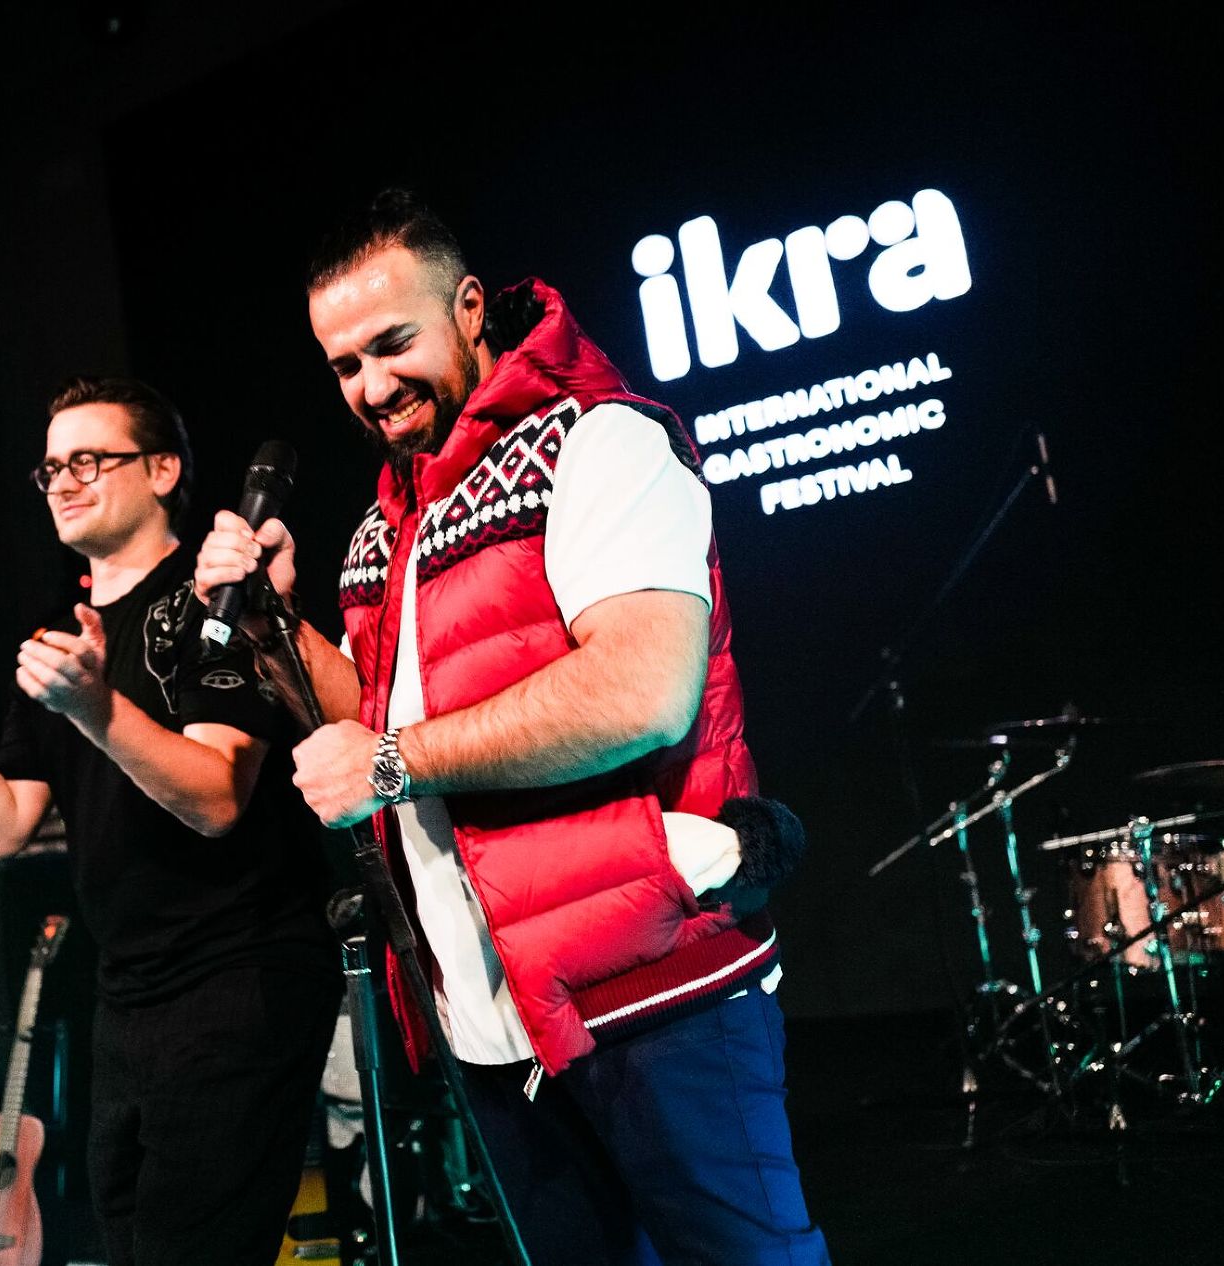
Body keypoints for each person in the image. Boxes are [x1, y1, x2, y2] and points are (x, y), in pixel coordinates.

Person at [194, 190, 828, 1265]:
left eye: (392, 344)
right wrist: (275, 629)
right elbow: (383, 717)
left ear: (471, 307)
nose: (371, 386)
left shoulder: (598, 440)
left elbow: (640, 692)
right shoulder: (389, 517)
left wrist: (389, 763)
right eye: (344, 365)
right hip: (495, 1019)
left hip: (653, 983)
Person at [0, 376, 339, 1266]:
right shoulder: (58, 634)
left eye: (88, 460)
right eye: (50, 469)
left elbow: (218, 799)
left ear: (162, 470)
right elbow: (2, 827)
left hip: (239, 975)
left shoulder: (220, 596)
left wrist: (97, 710)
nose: (63, 482)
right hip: (126, 991)